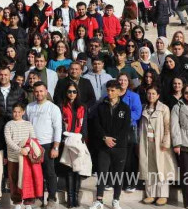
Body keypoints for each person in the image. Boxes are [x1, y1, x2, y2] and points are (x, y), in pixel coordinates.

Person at [89, 80, 132, 209]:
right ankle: (99, 200)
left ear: (119, 91)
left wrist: (114, 140)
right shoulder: (101, 106)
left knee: (118, 174)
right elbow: (96, 124)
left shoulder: (125, 108)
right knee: (102, 173)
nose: (110, 92)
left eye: (113, 90)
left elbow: (125, 128)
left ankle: (116, 200)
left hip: (120, 147)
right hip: (104, 146)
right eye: (108, 90)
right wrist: (105, 138)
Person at [26, 82, 61, 208]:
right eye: (36, 91)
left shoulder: (53, 108)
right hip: (33, 145)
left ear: (46, 91)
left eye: (41, 91)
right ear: (33, 92)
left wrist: (55, 147)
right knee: (36, 173)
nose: (39, 94)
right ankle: (39, 198)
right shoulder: (29, 107)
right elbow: (26, 125)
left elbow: (58, 128)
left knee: (50, 173)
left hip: (48, 144)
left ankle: (52, 198)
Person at [138, 85, 175, 206]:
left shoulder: (164, 108)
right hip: (146, 142)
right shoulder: (143, 108)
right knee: (149, 168)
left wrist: (166, 141)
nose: (151, 96)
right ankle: (151, 194)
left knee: (161, 168)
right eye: (149, 93)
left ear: (158, 95)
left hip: (160, 144)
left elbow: (167, 126)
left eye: (153, 94)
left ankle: (163, 195)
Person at [4, 102, 39, 209]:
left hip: (26, 158)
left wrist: (27, 149)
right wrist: (20, 150)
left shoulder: (28, 124)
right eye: (14, 112)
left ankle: (28, 202)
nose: (17, 114)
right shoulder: (8, 124)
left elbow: (33, 139)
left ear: (23, 112)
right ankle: (17, 202)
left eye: (19, 112)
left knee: (28, 179)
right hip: (13, 157)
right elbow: (8, 140)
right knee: (13, 179)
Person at [60, 80, 88, 208]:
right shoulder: (62, 105)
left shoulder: (82, 106)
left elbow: (85, 124)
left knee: (77, 169)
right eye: (69, 91)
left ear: (77, 93)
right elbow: (59, 123)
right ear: (66, 93)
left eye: (74, 91)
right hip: (66, 140)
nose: (72, 94)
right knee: (69, 170)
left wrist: (84, 139)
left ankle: (76, 197)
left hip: (78, 140)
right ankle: (70, 199)